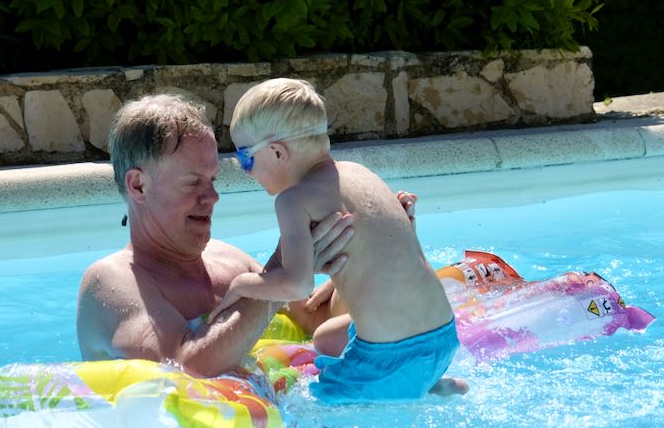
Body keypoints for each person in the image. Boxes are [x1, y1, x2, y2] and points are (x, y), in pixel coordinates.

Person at [209, 78, 468, 401]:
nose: (245, 170)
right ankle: (435, 385)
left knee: (309, 408)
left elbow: (297, 286)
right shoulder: (359, 173)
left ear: (277, 152)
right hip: (442, 336)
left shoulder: (292, 201)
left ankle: (411, 386)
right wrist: (335, 282)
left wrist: (241, 285)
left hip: (388, 356)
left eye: (246, 158)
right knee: (325, 337)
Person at [75, 93, 358, 380]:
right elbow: (189, 366)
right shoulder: (110, 282)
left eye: (212, 180)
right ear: (138, 185)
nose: (212, 196)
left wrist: (357, 267)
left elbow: (314, 319)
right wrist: (281, 269)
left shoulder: (231, 262)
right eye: (193, 182)